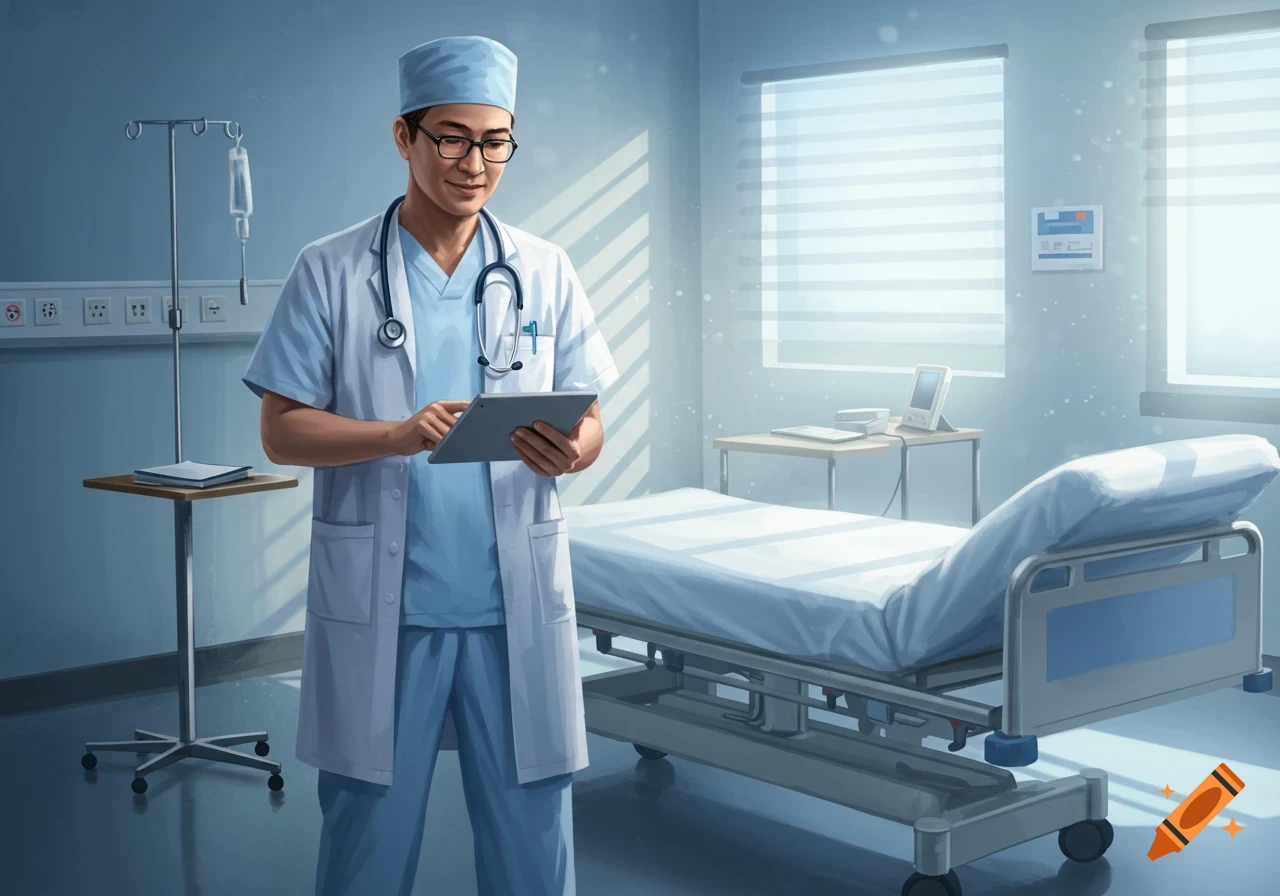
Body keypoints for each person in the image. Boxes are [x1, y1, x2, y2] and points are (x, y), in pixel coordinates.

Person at [241, 35, 617, 896]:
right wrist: (395, 435)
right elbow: (281, 431)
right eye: (451, 137)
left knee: (534, 840)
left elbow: (591, 420)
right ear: (404, 137)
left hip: (510, 606)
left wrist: (573, 450)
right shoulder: (331, 270)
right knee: (368, 838)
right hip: (391, 609)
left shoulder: (544, 269)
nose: (474, 162)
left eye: (495, 141)